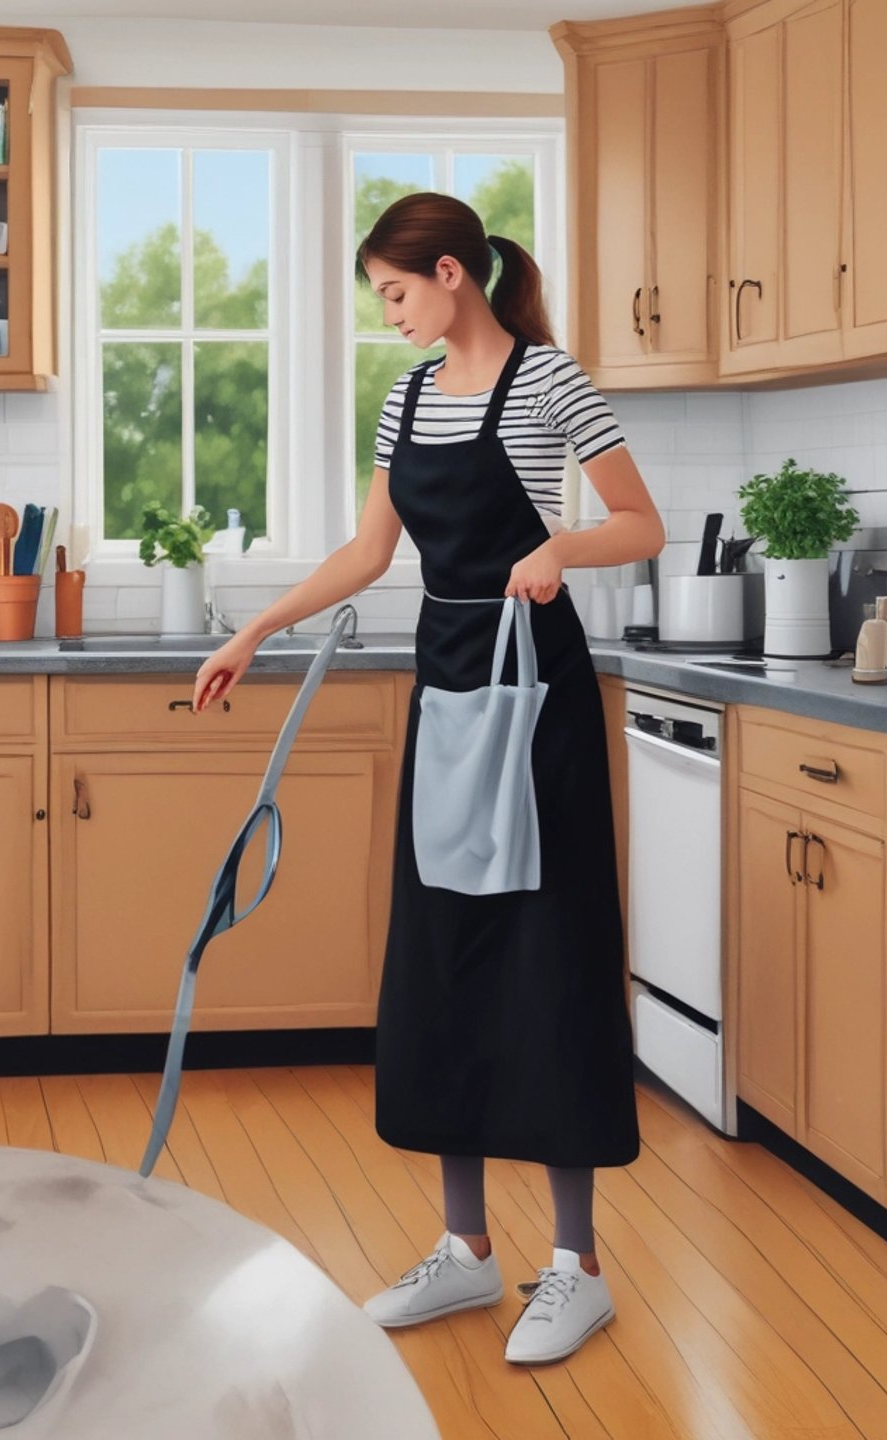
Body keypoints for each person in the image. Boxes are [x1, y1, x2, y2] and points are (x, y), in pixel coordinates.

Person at [191, 192, 664, 1367]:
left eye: (395, 293)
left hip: (539, 692)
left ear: (454, 274)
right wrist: (255, 632)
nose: (389, 317)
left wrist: (559, 547)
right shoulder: (405, 397)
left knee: (547, 951)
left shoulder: (550, 382)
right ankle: (464, 1250)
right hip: (449, 683)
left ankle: (576, 1265)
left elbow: (643, 524)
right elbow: (369, 551)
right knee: (445, 945)